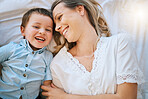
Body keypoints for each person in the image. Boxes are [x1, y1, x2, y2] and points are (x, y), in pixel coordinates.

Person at [41, 0, 144, 99]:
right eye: (55, 25)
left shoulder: (120, 44)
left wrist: (65, 97)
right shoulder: (58, 64)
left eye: (59, 17)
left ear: (80, 10)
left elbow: (127, 97)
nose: (57, 28)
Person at [0, 8, 54, 99]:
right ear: (23, 30)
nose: (42, 32)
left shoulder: (48, 56)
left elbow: (47, 82)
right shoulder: (12, 48)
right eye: (36, 27)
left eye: (48, 30)